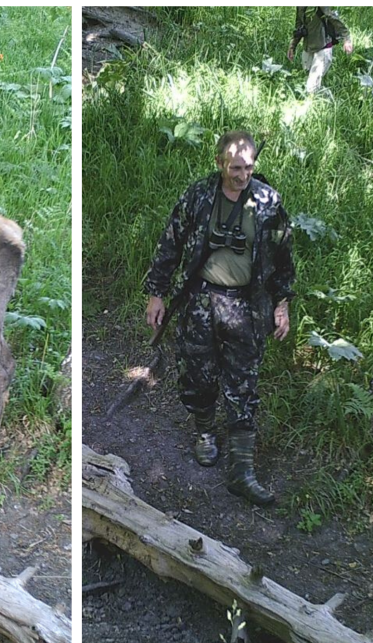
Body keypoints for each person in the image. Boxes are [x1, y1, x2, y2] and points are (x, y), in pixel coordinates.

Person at [144, 131, 295, 506]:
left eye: (248, 167)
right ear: (219, 164)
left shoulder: (267, 202)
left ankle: (242, 471)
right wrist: (156, 293)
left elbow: (283, 257)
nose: (242, 174)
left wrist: (282, 303)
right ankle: (206, 432)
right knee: (198, 374)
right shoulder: (198, 196)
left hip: (247, 307)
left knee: (243, 383)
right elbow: (170, 243)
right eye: (235, 168)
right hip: (201, 301)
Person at [287, 7, 353, 94]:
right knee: (308, 79)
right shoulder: (300, 6)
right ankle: (327, 98)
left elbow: (333, 17)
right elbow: (298, 26)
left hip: (323, 48)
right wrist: (292, 46)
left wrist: (347, 38)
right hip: (308, 48)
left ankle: (312, 104)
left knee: (311, 87)